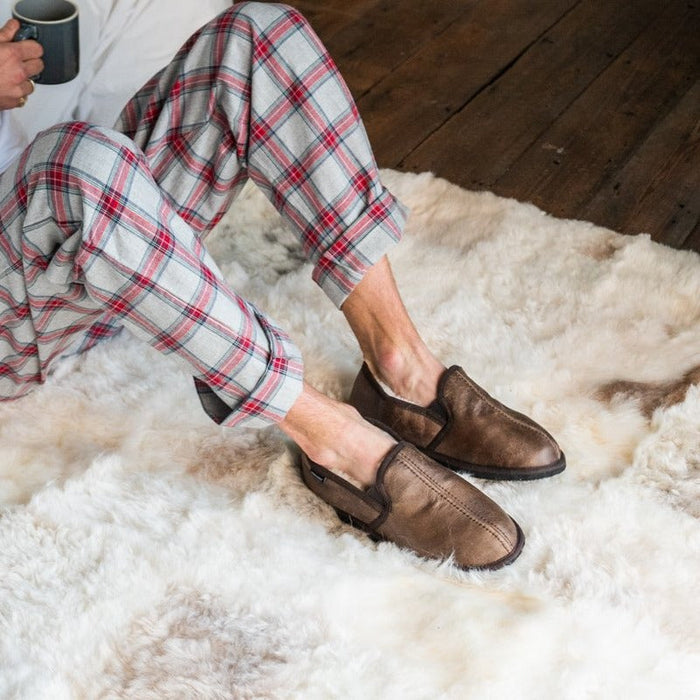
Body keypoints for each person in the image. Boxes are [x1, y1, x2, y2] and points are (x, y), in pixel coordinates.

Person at [0, 2, 565, 571]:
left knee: (258, 36)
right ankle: (337, 440)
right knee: (77, 165)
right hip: (24, 289)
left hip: (79, 243)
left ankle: (402, 370)